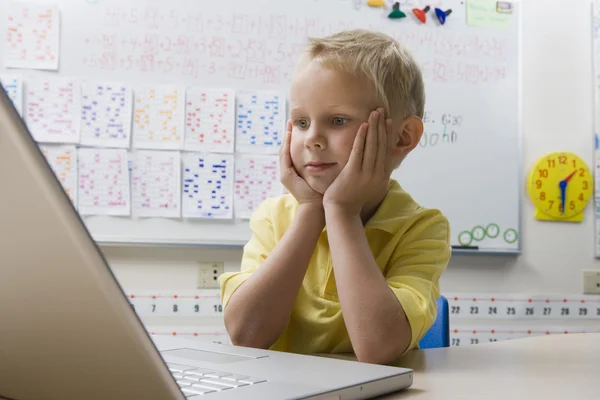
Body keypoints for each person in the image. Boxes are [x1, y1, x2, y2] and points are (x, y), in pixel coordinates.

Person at [218, 29, 451, 365]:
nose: (311, 138)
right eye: (300, 122)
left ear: (402, 137)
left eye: (337, 120)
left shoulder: (422, 227)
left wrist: (340, 212)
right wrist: (312, 212)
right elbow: (246, 333)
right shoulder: (275, 216)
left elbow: (378, 348)